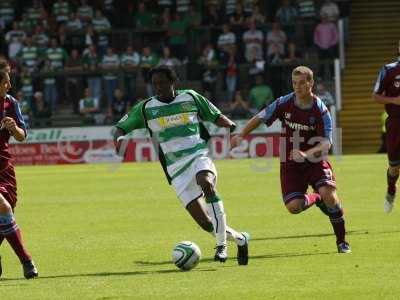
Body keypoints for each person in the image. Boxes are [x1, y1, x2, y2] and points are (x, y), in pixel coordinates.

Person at [114, 66, 250, 264]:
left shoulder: (190, 97)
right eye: (155, 84)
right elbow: (120, 128)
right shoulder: (146, 108)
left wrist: (231, 126)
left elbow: (216, 116)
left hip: (198, 155)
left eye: (162, 82)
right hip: (175, 169)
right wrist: (119, 142)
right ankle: (241, 239)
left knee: (206, 182)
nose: (158, 87)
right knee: (205, 223)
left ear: (172, 81)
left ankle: (221, 246)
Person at [231, 66, 351, 253]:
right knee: (294, 207)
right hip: (290, 163)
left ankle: (342, 242)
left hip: (314, 161)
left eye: (302, 83)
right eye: (295, 83)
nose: (298, 87)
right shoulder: (284, 103)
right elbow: (261, 116)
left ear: (311, 83)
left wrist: (306, 154)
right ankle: (316, 197)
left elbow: (327, 144)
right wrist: (241, 135)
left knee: (330, 195)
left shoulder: (321, 110)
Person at [0, 70, 38, 279]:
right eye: (6, 82)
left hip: (4, 166)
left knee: (8, 211)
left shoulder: (11, 103)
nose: (9, 85)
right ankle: (27, 261)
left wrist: (14, 128)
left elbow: (22, 136)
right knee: (3, 208)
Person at [373, 40, 400, 213]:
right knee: (394, 167)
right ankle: (391, 189)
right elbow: (375, 96)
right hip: (395, 123)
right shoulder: (388, 70)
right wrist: (394, 100)